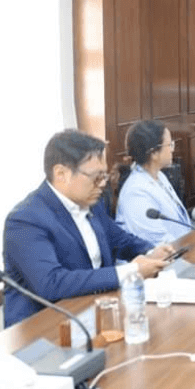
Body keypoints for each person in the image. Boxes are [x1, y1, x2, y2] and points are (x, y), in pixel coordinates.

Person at [3, 130, 174, 328]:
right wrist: (132, 271)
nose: (103, 184)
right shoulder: (25, 220)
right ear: (61, 174)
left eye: (104, 175)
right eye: (96, 177)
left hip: (94, 314)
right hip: (43, 329)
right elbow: (51, 283)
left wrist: (151, 252)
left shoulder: (90, 201)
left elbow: (120, 240)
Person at [115, 120, 191, 244]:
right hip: (165, 252)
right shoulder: (136, 193)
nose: (172, 150)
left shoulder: (159, 176)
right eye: (169, 145)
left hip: (183, 245)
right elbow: (156, 242)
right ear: (154, 152)